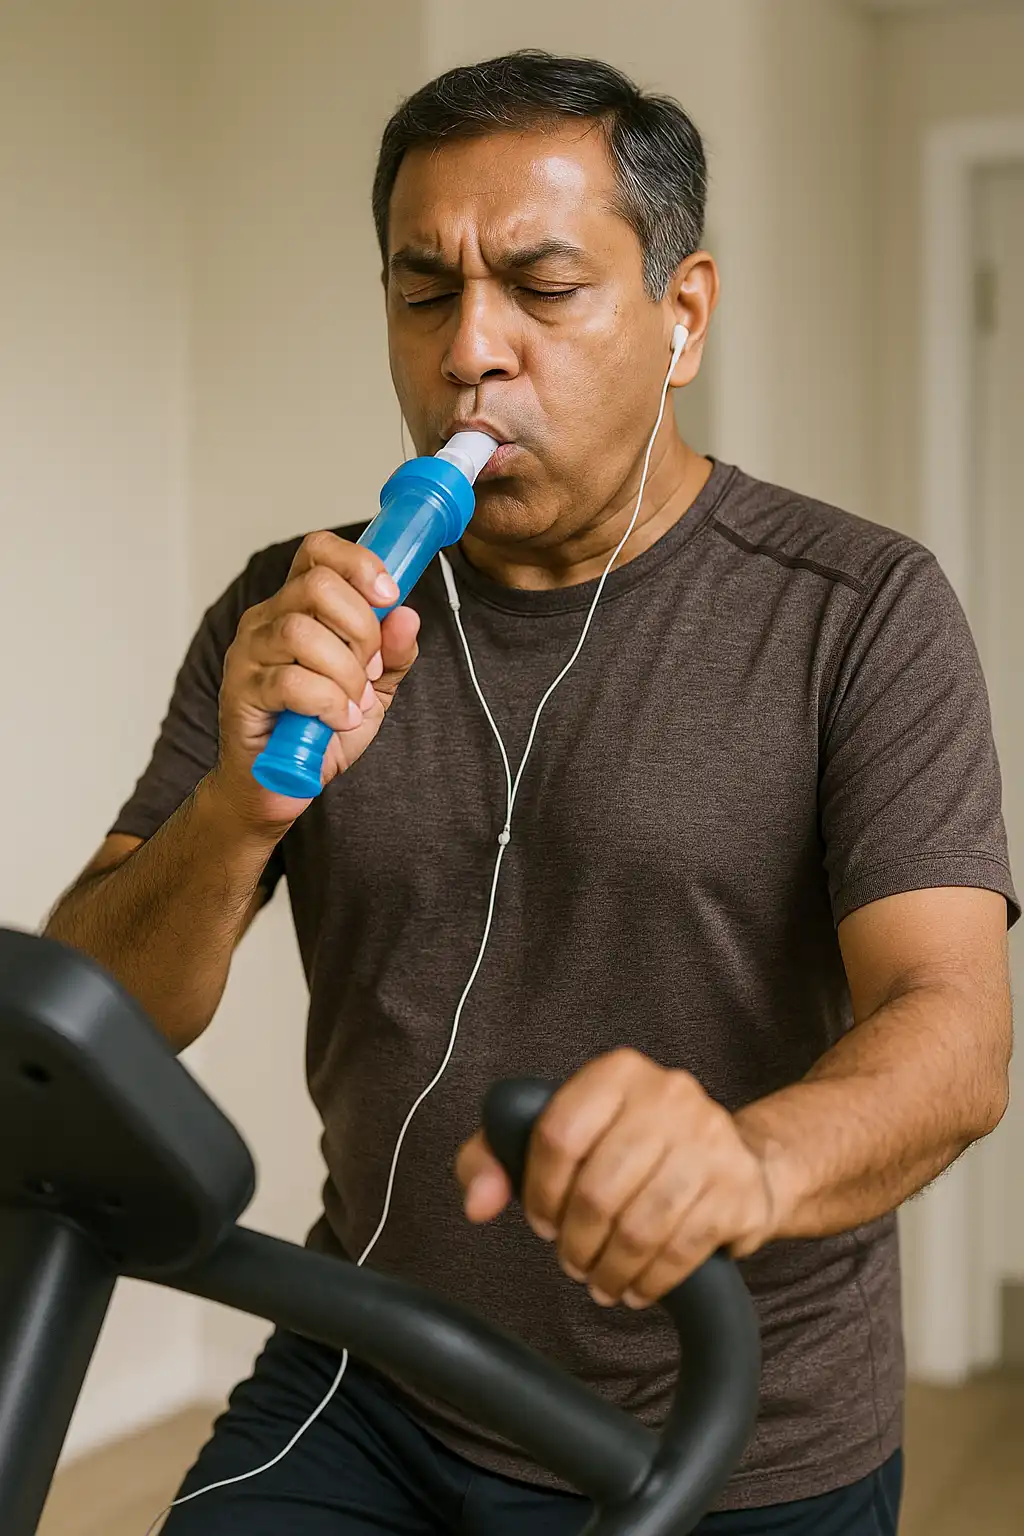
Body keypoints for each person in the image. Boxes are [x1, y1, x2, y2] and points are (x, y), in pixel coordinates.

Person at [46, 50, 1016, 1536]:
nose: (470, 351)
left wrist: (743, 1161)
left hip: (731, 1435)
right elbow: (98, 1016)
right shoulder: (292, 611)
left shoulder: (860, 610)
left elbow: (956, 1040)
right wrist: (238, 808)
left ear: (680, 316)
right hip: (371, 1376)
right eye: (423, 291)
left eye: (542, 287)